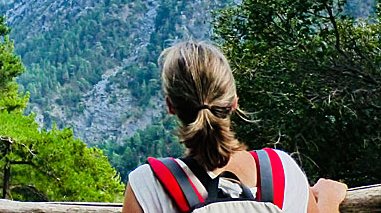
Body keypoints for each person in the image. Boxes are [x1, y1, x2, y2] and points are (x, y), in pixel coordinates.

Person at [122, 41, 347, 213]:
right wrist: (328, 199)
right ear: (234, 103)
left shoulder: (148, 185)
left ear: (170, 106)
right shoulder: (283, 171)